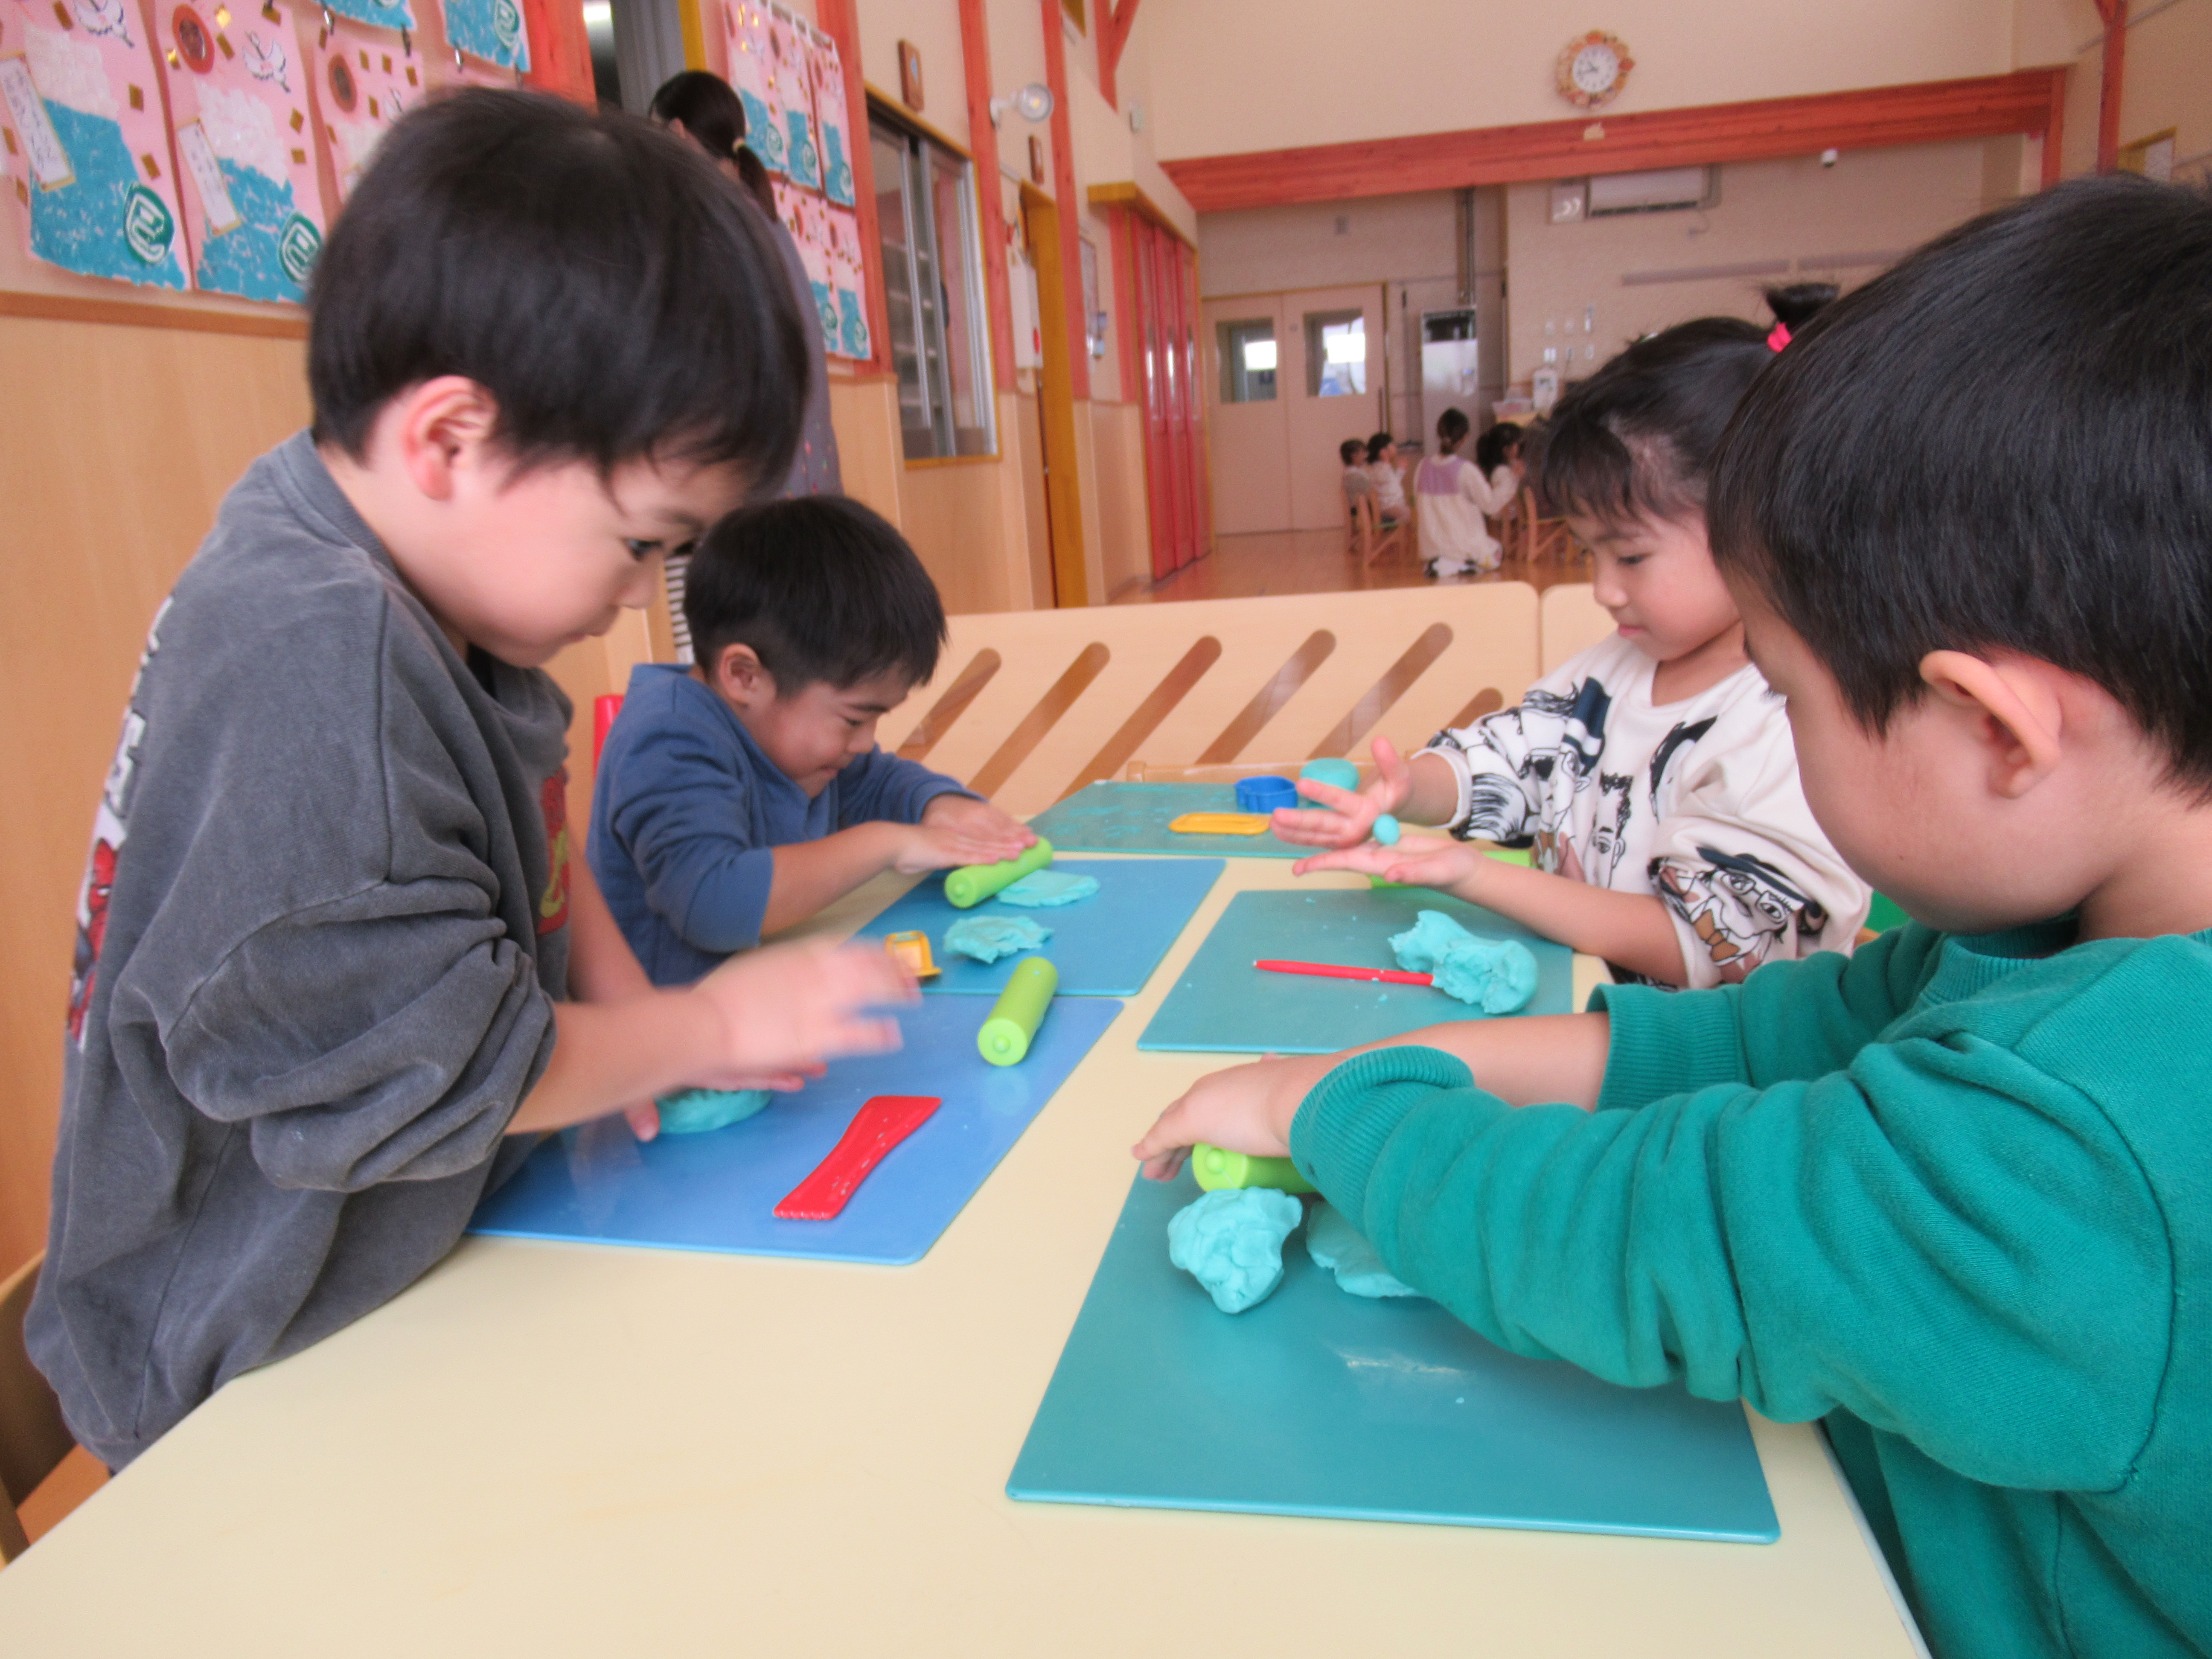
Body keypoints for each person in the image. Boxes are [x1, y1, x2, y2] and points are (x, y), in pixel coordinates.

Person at [1135, 176, 2212, 1659]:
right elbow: (1749, 1040)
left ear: (1995, 730)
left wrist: (1334, 1111)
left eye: (1793, 696)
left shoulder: (2089, 1143)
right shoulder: (2053, 943)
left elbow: (1648, 1229)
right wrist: (1374, 1060)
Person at [24, 92, 916, 1472]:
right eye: (640, 543)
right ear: (449, 440)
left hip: (404, 1260)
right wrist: (710, 1024)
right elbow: (462, 1067)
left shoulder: (419, 579)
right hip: (248, 1360)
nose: (641, 596)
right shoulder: (320, 661)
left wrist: (638, 1009)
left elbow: (540, 829)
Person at [1281, 316, 1865, 987]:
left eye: (1631, 556)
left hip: (1710, 1046)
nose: (1603, 590)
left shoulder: (1790, 727)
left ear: (1764, 522)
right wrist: (1410, 789)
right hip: (1586, 1003)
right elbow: (1513, 758)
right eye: (1591, 553)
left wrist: (1475, 876)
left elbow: (1711, 947)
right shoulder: (1610, 673)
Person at [590, 495, 1033, 986]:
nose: (864, 743)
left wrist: (940, 807)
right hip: (675, 1025)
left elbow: (879, 783)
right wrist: (887, 843)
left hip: (772, 999)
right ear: (745, 676)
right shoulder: (668, 739)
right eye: (853, 719)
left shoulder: (800, 746)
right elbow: (713, 903)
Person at [651, 70, 840, 500]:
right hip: (805, 473)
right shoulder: (763, 218)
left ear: (676, 133)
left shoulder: (715, 225)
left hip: (760, 472)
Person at [1412, 407, 1516, 577]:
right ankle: (1457, 564)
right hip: (1461, 546)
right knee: (1497, 552)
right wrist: (1511, 480)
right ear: (1465, 438)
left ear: (1439, 434)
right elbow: (1490, 506)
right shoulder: (1466, 470)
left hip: (1430, 548)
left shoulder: (1422, 466)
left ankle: (1445, 564)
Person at [1362, 430, 1408, 528]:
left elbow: (1392, 483)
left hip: (1393, 505)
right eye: (1393, 445)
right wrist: (1386, 461)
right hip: (1387, 507)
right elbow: (1382, 478)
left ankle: (1398, 533)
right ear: (1384, 451)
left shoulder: (1384, 467)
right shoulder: (1379, 468)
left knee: (1409, 513)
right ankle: (1397, 533)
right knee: (1407, 514)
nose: (1395, 448)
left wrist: (1401, 471)